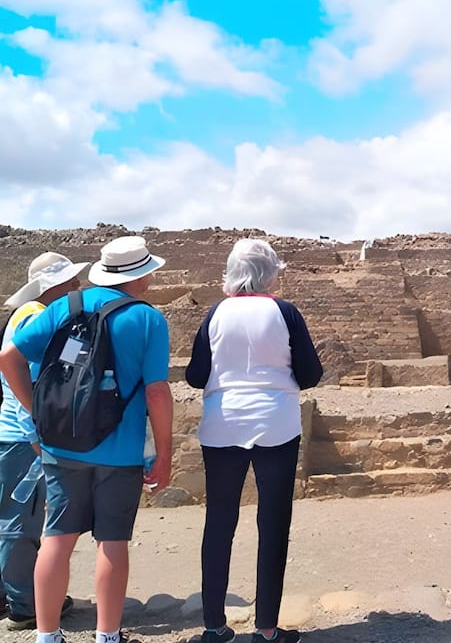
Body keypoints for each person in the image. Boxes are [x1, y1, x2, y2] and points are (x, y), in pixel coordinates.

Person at [0, 236, 174, 643]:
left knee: (56, 538)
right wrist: (164, 453)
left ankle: (47, 635)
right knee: (112, 541)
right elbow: (156, 393)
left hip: (62, 445)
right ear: (138, 276)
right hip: (120, 450)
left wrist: (37, 412)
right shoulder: (148, 319)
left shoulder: (65, 306)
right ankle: (107, 635)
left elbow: (9, 358)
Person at [186, 239, 323, 643]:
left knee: (219, 521)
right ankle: (266, 629)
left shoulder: (216, 312)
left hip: (222, 423)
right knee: (273, 522)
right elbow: (311, 373)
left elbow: (195, 375)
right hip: (275, 423)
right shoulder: (284, 312)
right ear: (269, 273)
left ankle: (214, 626)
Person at [0, 253, 87, 630]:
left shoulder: (23, 315)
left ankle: (12, 593)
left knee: (11, 517)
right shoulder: (37, 317)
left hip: (14, 435)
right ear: (53, 286)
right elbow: (33, 387)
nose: (77, 287)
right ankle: (25, 604)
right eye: (70, 281)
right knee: (21, 522)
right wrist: (39, 441)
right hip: (24, 438)